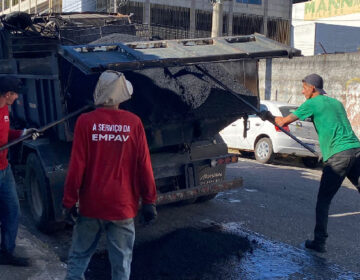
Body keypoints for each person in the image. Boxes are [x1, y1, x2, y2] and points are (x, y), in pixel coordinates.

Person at [63, 70, 157, 280]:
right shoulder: (134, 123)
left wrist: (69, 201)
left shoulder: (85, 122)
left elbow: (76, 166)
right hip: (122, 207)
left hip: (91, 206)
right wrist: (149, 201)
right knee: (121, 265)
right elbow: (144, 165)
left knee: (79, 258)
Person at [273, 73, 360, 253]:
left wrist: (268, 115)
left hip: (338, 155)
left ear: (312, 88)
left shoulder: (312, 103)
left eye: (304, 87)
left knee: (323, 200)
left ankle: (319, 242)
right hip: (356, 150)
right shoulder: (336, 103)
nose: (302, 91)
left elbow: (283, 121)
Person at [0, 76, 39, 267]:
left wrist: (24, 133)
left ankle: (7, 252)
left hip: (4, 169)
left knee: (12, 211)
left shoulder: (4, 109)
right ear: (8, 94)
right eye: (15, 94)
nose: (17, 98)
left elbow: (5, 134)